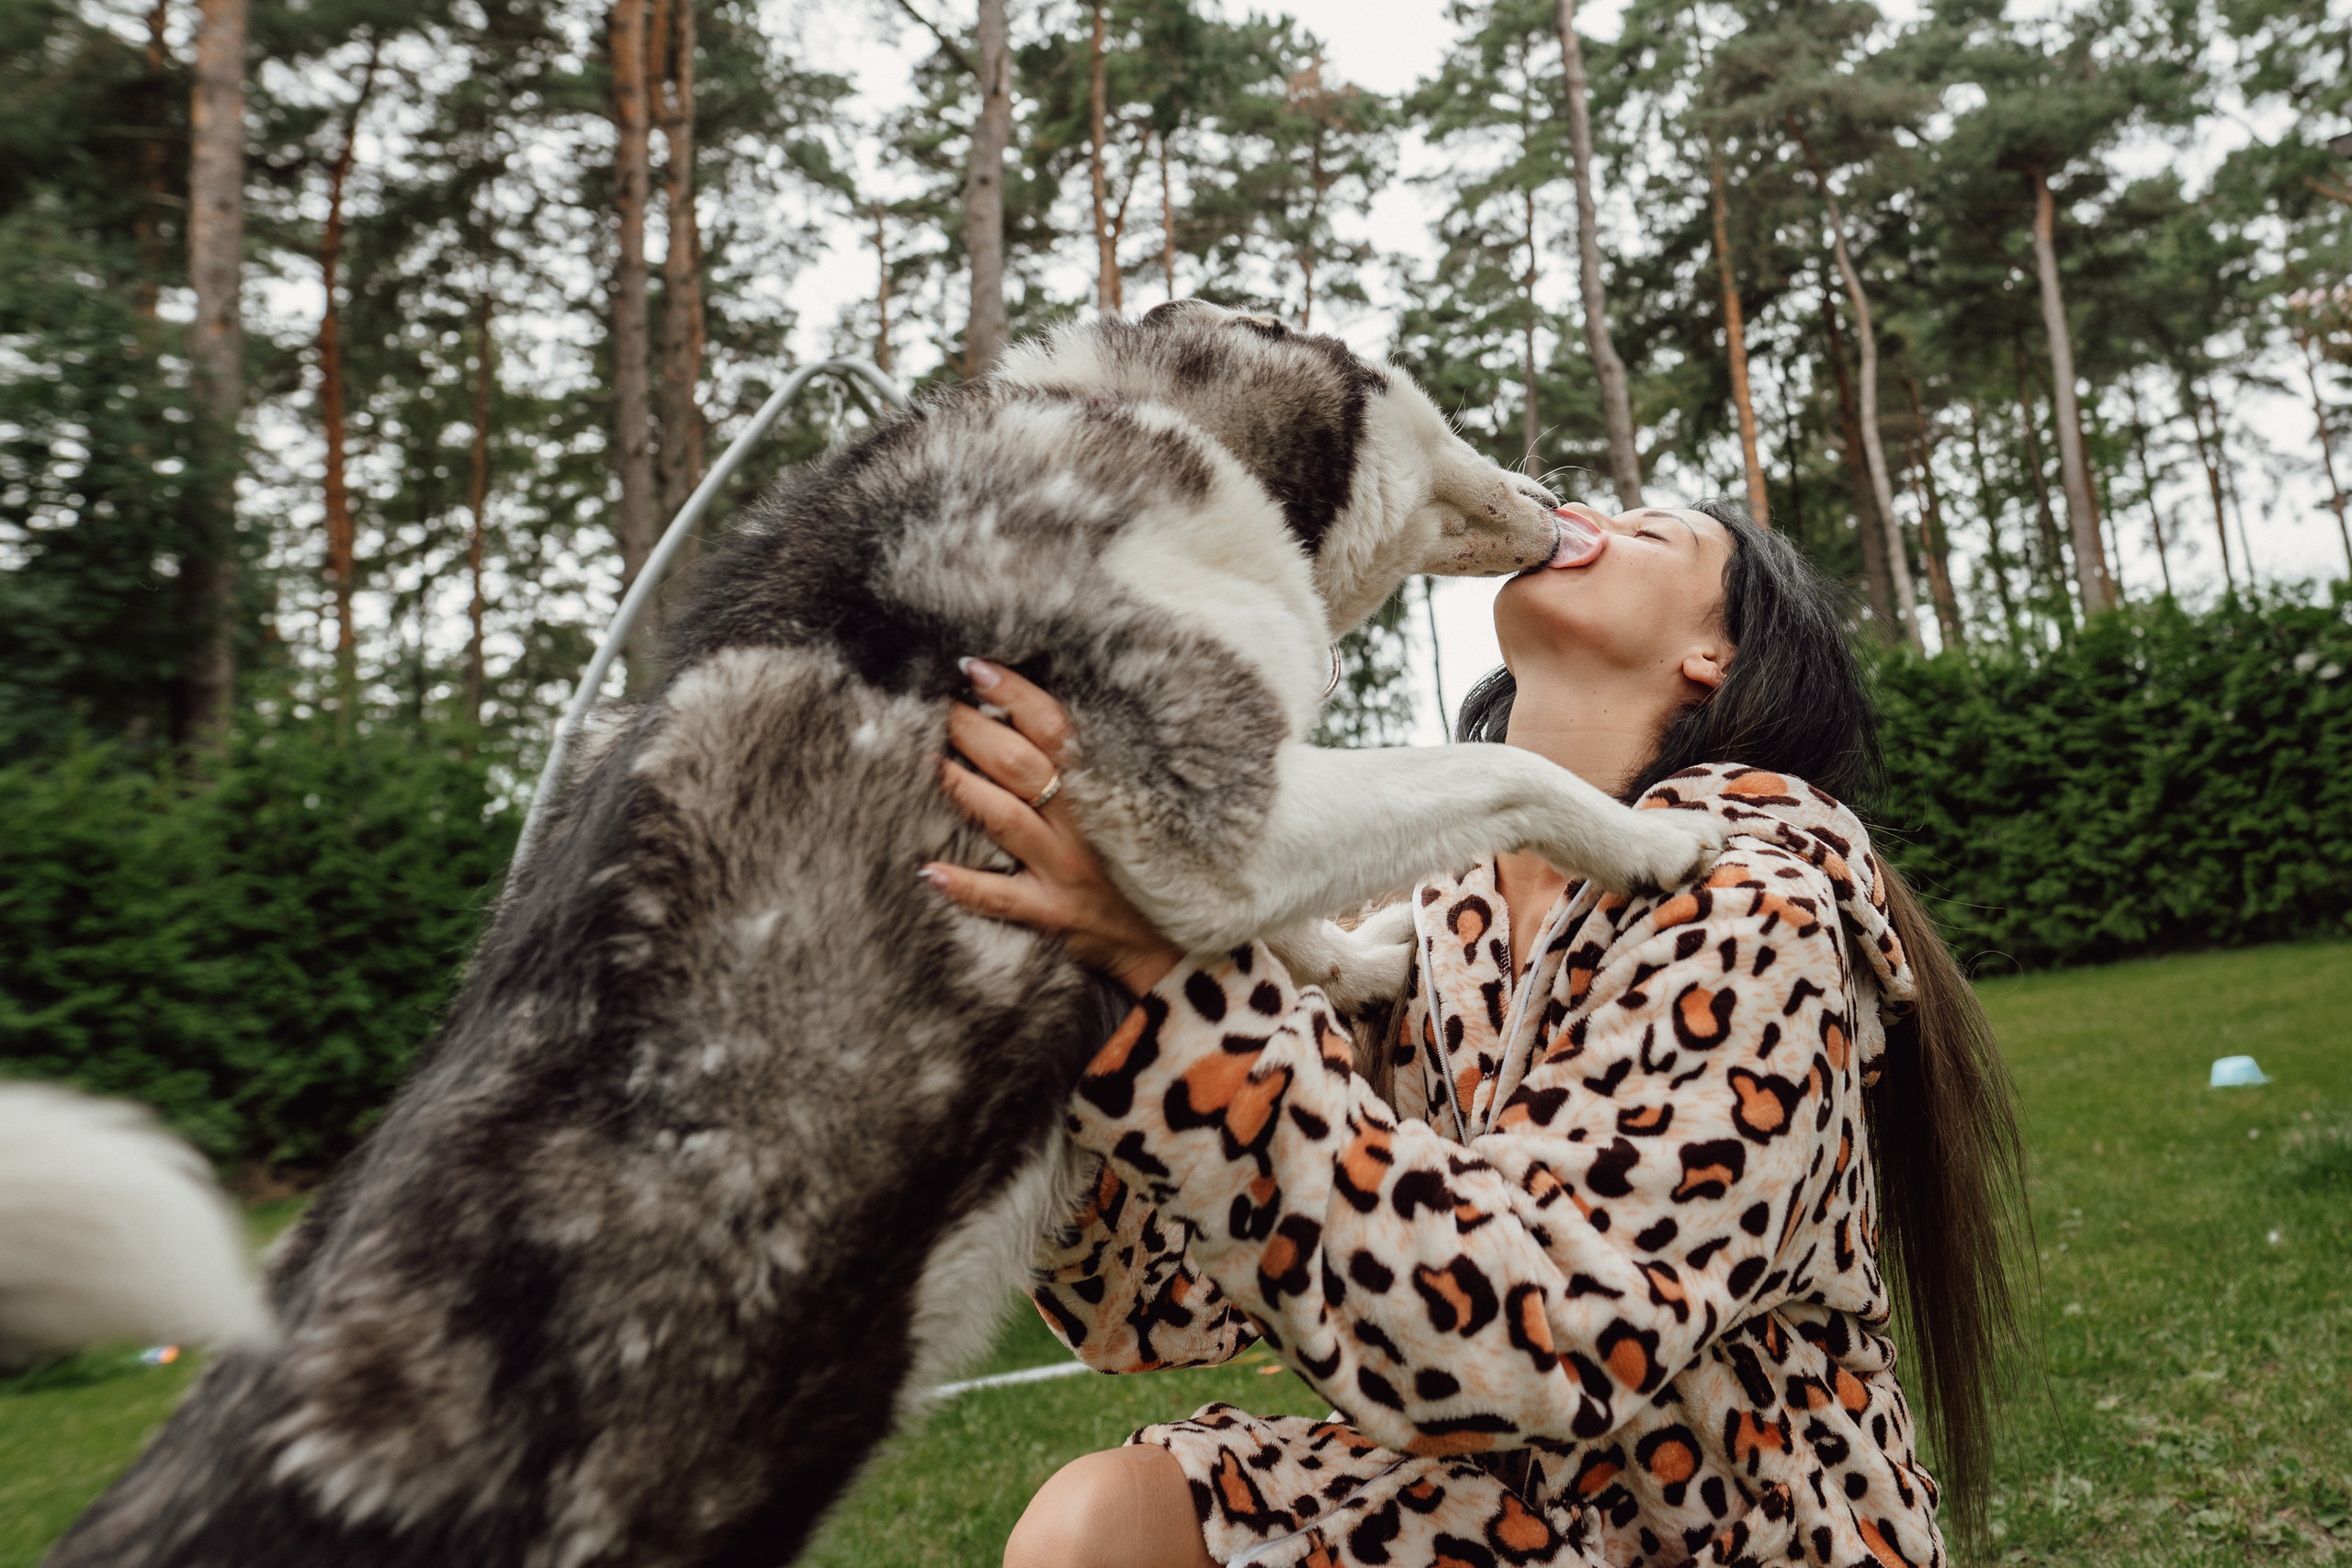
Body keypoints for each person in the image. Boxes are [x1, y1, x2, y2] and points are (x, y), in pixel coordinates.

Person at [922, 501, 2025, 1568]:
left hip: (1723, 1534)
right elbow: (1149, 1309)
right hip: (1480, 1505)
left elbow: (1530, 1339)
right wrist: (1062, 985)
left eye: (1652, 531)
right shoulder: (1403, 919)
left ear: (1713, 657)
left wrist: (1171, 997)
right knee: (1097, 1529)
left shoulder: (1751, 907)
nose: (1586, 509)